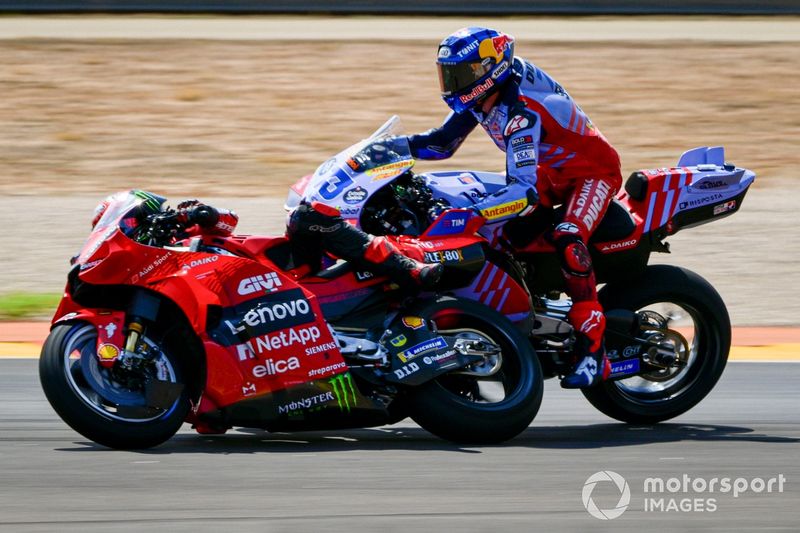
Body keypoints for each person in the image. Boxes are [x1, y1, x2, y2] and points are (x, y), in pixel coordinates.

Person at [405, 27, 622, 388]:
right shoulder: (486, 92)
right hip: (548, 171)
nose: (453, 83)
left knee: (568, 237)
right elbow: (441, 144)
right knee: (500, 233)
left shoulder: (521, 111)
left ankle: (593, 347)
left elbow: (523, 192)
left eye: (463, 73)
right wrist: (382, 152)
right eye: (449, 74)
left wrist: (473, 215)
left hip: (591, 173)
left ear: (490, 68)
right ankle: (525, 305)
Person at [286, 143, 443, 290]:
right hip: (295, 283)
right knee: (307, 215)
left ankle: (408, 271)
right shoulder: (305, 212)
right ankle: (411, 270)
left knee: (308, 216)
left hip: (304, 275)